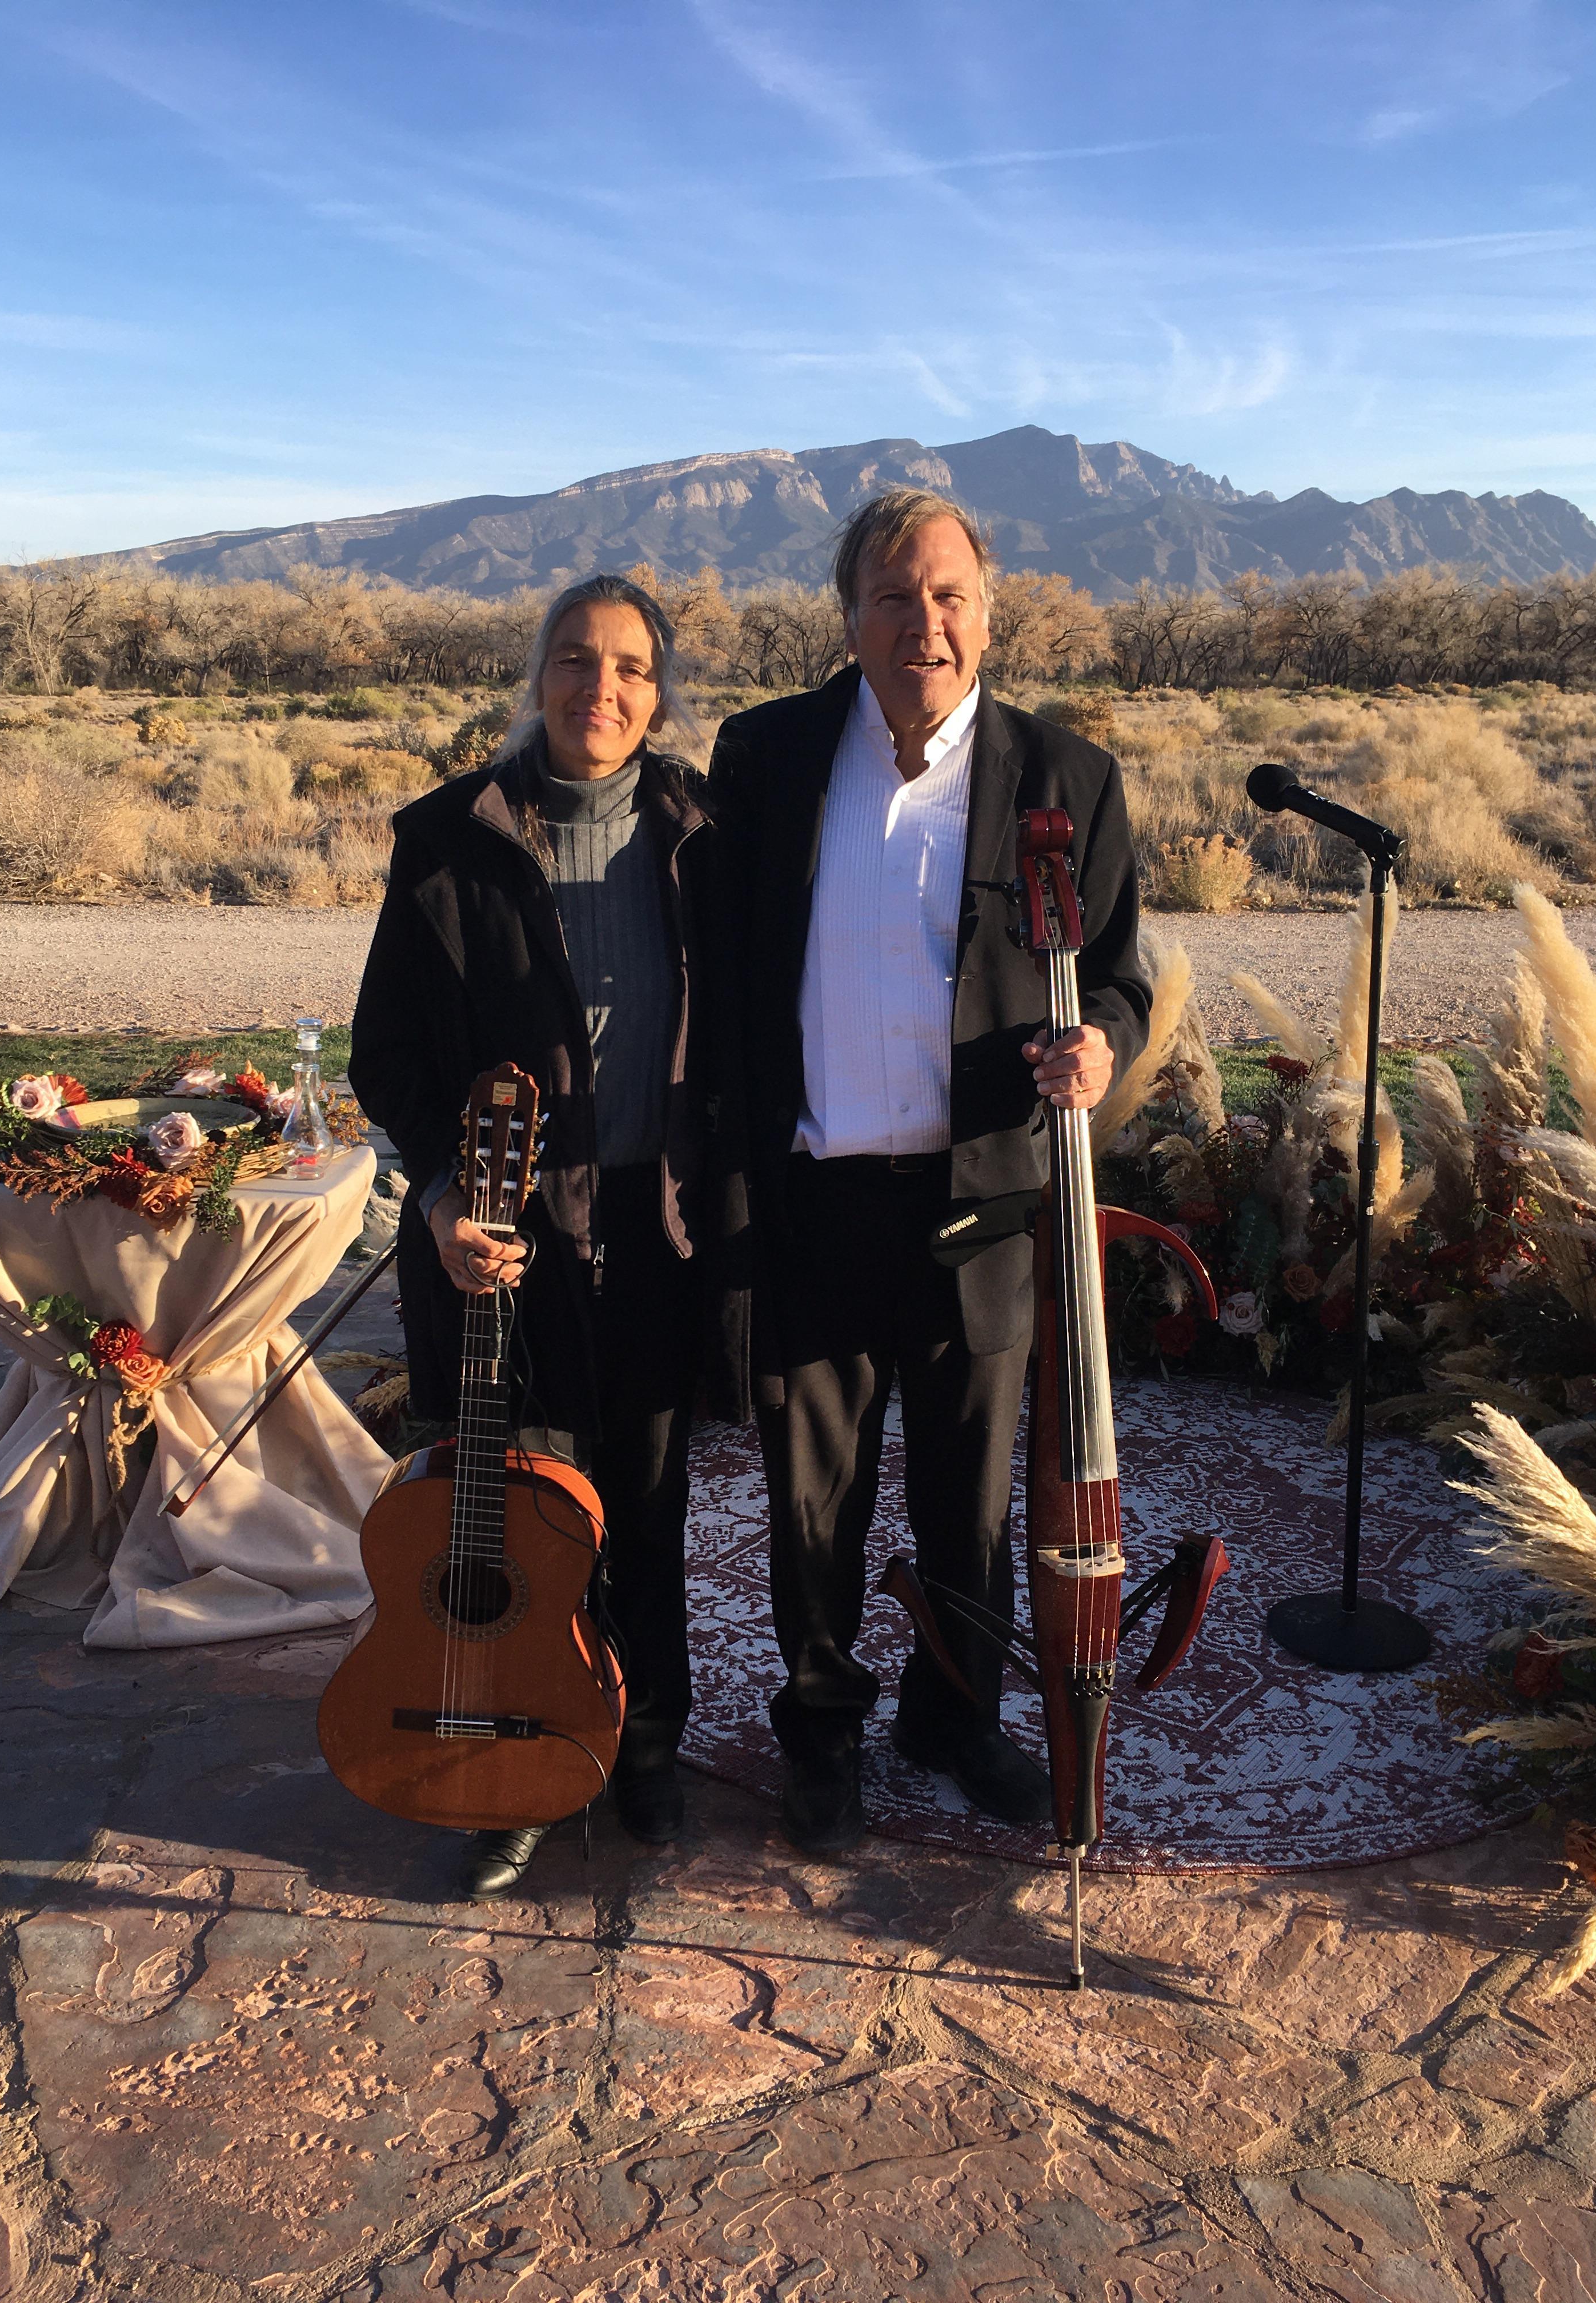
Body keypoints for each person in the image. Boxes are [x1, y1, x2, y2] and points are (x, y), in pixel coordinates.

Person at [711, 487, 1150, 1856]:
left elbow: (1120, 980)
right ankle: (824, 1728)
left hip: (985, 1206)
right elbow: (721, 973)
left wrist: (1103, 1044)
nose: (925, 625)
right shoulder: (767, 756)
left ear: (990, 614)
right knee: (813, 1501)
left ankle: (953, 1718)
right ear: (849, 616)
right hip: (815, 1194)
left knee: (970, 1500)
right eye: (894, 597)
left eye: (950, 595)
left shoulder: (1067, 779)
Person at [348, 572, 747, 1896]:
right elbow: (386, 1056)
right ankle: (509, 1764)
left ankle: (646, 1747)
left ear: (660, 691)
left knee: (645, 1496)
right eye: (576, 659)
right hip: (502, 1229)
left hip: (652, 1225)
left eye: (631, 667)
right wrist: (442, 1199)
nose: (601, 688)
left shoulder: (704, 832)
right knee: (510, 1509)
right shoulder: (448, 839)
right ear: (538, 674)